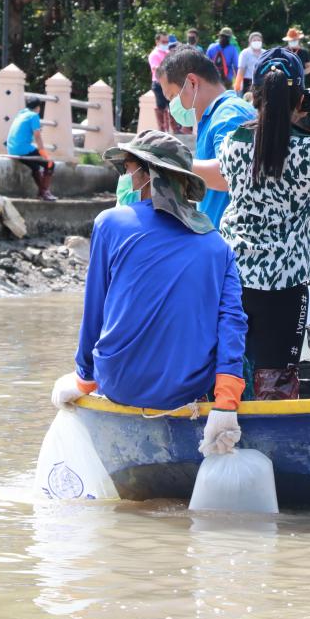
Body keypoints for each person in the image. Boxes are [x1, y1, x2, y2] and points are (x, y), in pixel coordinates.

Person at [51, 131, 247, 457]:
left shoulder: (109, 224)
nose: (126, 176)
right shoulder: (218, 246)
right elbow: (232, 324)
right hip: (187, 388)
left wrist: (84, 378)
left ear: (147, 175)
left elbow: (94, 312)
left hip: (118, 383)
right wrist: (226, 403)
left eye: (128, 168)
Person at [219, 46, 310, 399]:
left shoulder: (232, 143)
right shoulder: (309, 151)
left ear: (254, 95)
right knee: (275, 381)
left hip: (235, 275)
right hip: (287, 283)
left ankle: (223, 422)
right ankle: (271, 433)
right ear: (301, 100)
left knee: (230, 366)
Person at [156, 46, 256, 227]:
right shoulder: (215, 116)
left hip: (231, 240)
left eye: (172, 96)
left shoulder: (230, 115)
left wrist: (168, 162)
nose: (172, 106)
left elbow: (229, 173)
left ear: (192, 82)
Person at [5, 96, 56, 201]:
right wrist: (43, 152)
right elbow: (37, 136)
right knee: (50, 164)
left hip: (11, 149)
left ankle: (42, 192)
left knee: (35, 166)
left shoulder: (21, 114)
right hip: (23, 149)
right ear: (38, 107)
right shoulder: (34, 115)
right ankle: (44, 192)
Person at [148, 32, 174, 133]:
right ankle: (162, 129)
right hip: (159, 84)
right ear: (157, 42)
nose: (166, 44)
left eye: (167, 42)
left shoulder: (168, 53)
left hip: (169, 83)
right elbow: (155, 68)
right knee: (161, 106)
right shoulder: (154, 54)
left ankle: (174, 129)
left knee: (172, 105)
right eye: (163, 42)